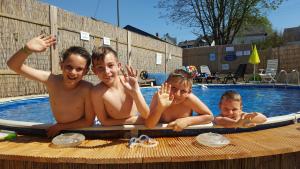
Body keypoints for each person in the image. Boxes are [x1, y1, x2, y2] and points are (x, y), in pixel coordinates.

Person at [7, 35, 95, 137]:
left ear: (86, 72)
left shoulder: (87, 89)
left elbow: (88, 121)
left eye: (79, 69)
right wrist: (27, 49)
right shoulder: (51, 80)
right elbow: (13, 65)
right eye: (69, 67)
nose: (72, 72)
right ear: (61, 65)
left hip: (82, 130)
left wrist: (60, 127)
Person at [90, 46, 149, 126]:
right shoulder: (97, 92)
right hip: (116, 129)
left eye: (110, 65)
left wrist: (136, 92)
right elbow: (104, 121)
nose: (106, 71)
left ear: (119, 66)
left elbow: (147, 115)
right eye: (100, 67)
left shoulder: (129, 83)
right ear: (94, 71)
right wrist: (132, 121)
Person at [145, 69, 213, 131]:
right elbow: (149, 125)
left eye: (183, 91)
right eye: (174, 87)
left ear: (189, 92)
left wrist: (187, 121)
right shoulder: (158, 97)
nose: (177, 94)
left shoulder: (189, 99)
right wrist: (160, 108)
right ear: (165, 84)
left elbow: (210, 117)